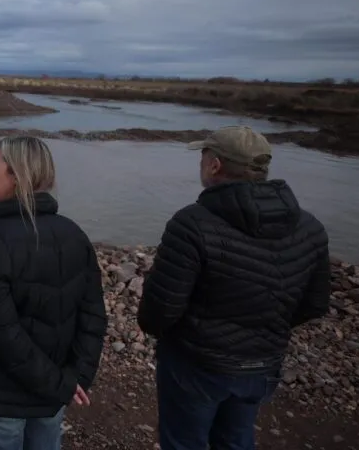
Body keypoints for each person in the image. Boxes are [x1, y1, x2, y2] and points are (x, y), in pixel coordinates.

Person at [137, 125, 331, 450]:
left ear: (215, 165)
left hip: (196, 364)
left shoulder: (192, 224)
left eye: (203, 156)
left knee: (184, 442)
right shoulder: (310, 227)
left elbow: (158, 314)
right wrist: (264, 329)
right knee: (236, 441)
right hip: (262, 363)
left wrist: (188, 336)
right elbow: (314, 303)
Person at [0, 135, 108, 450]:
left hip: (1, 399)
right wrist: (75, 379)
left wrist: (66, 381)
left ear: (17, 176)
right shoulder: (75, 234)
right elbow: (93, 317)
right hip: (53, 395)